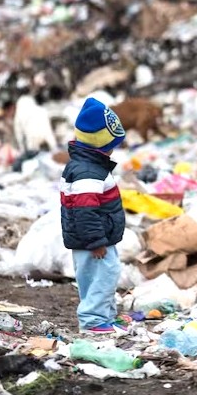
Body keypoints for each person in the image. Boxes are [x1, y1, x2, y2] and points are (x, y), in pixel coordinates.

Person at [60, 97, 128, 334]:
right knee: (102, 277)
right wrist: (96, 241)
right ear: (100, 145)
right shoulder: (88, 172)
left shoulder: (88, 166)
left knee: (100, 277)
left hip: (96, 238)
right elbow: (84, 211)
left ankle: (105, 317)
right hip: (93, 241)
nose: (113, 150)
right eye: (111, 145)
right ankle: (94, 321)